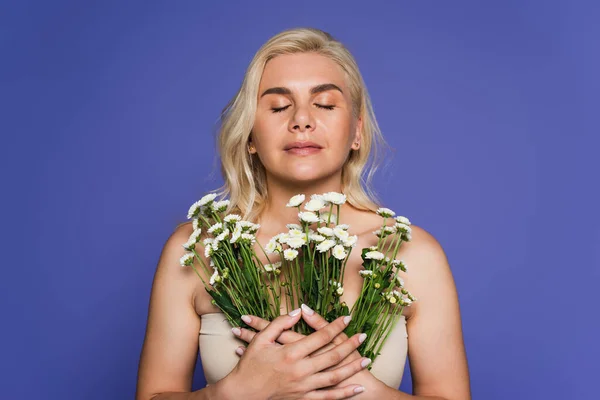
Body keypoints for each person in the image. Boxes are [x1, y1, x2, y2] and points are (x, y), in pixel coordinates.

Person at [136, 27, 471, 400]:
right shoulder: (199, 248)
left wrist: (357, 388)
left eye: (325, 104)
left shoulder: (411, 254)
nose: (302, 120)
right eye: (279, 106)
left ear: (356, 132)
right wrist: (235, 392)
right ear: (249, 135)